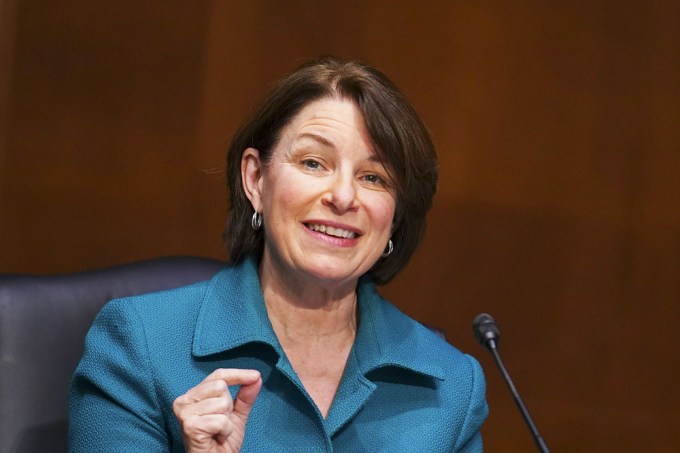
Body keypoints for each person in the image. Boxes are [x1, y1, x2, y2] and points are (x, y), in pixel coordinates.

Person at [69, 56, 488, 452]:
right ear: (256, 180)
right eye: (313, 163)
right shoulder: (139, 344)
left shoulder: (450, 385)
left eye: (373, 177)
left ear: (394, 217)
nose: (343, 196)